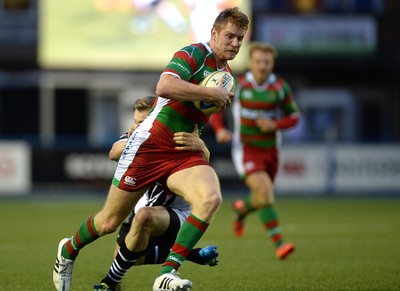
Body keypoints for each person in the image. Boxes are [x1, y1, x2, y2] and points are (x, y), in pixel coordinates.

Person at [53, 7, 249, 291]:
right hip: (151, 144)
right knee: (108, 222)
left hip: (182, 151)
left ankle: (167, 274)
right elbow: (165, 85)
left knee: (210, 199)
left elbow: (197, 116)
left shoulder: (226, 74)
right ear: (214, 34)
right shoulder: (194, 53)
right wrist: (209, 93)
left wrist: (201, 143)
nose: (235, 43)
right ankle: (68, 250)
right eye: (230, 36)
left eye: (240, 38)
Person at [94, 96, 218, 291]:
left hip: (177, 214)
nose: (138, 126)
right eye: (136, 122)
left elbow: (202, 167)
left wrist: (202, 148)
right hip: (145, 206)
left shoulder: (179, 139)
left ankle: (108, 283)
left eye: (143, 122)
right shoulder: (135, 135)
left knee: (144, 218)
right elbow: (113, 152)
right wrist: (135, 138)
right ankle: (193, 254)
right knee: (130, 255)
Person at [210, 41, 300, 260]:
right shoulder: (238, 85)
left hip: (271, 150)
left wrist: (275, 125)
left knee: (263, 196)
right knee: (265, 192)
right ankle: (280, 243)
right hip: (246, 149)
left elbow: (294, 117)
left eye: (267, 62)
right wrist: (220, 130)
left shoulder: (279, 88)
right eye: (258, 61)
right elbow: (215, 108)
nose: (262, 66)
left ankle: (242, 209)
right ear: (250, 62)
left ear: (272, 64)